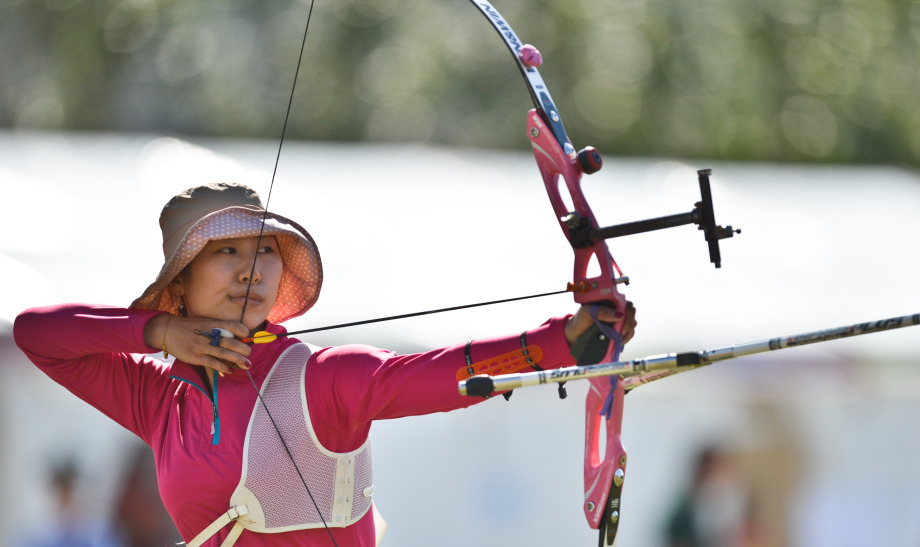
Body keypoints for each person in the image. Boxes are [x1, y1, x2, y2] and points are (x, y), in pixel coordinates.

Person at [14, 182, 636, 546]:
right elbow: (36, 332)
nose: (250, 268)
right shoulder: (158, 398)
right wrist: (157, 330)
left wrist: (570, 339)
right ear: (181, 280)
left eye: (264, 252)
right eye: (225, 250)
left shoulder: (320, 377)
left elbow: (442, 374)